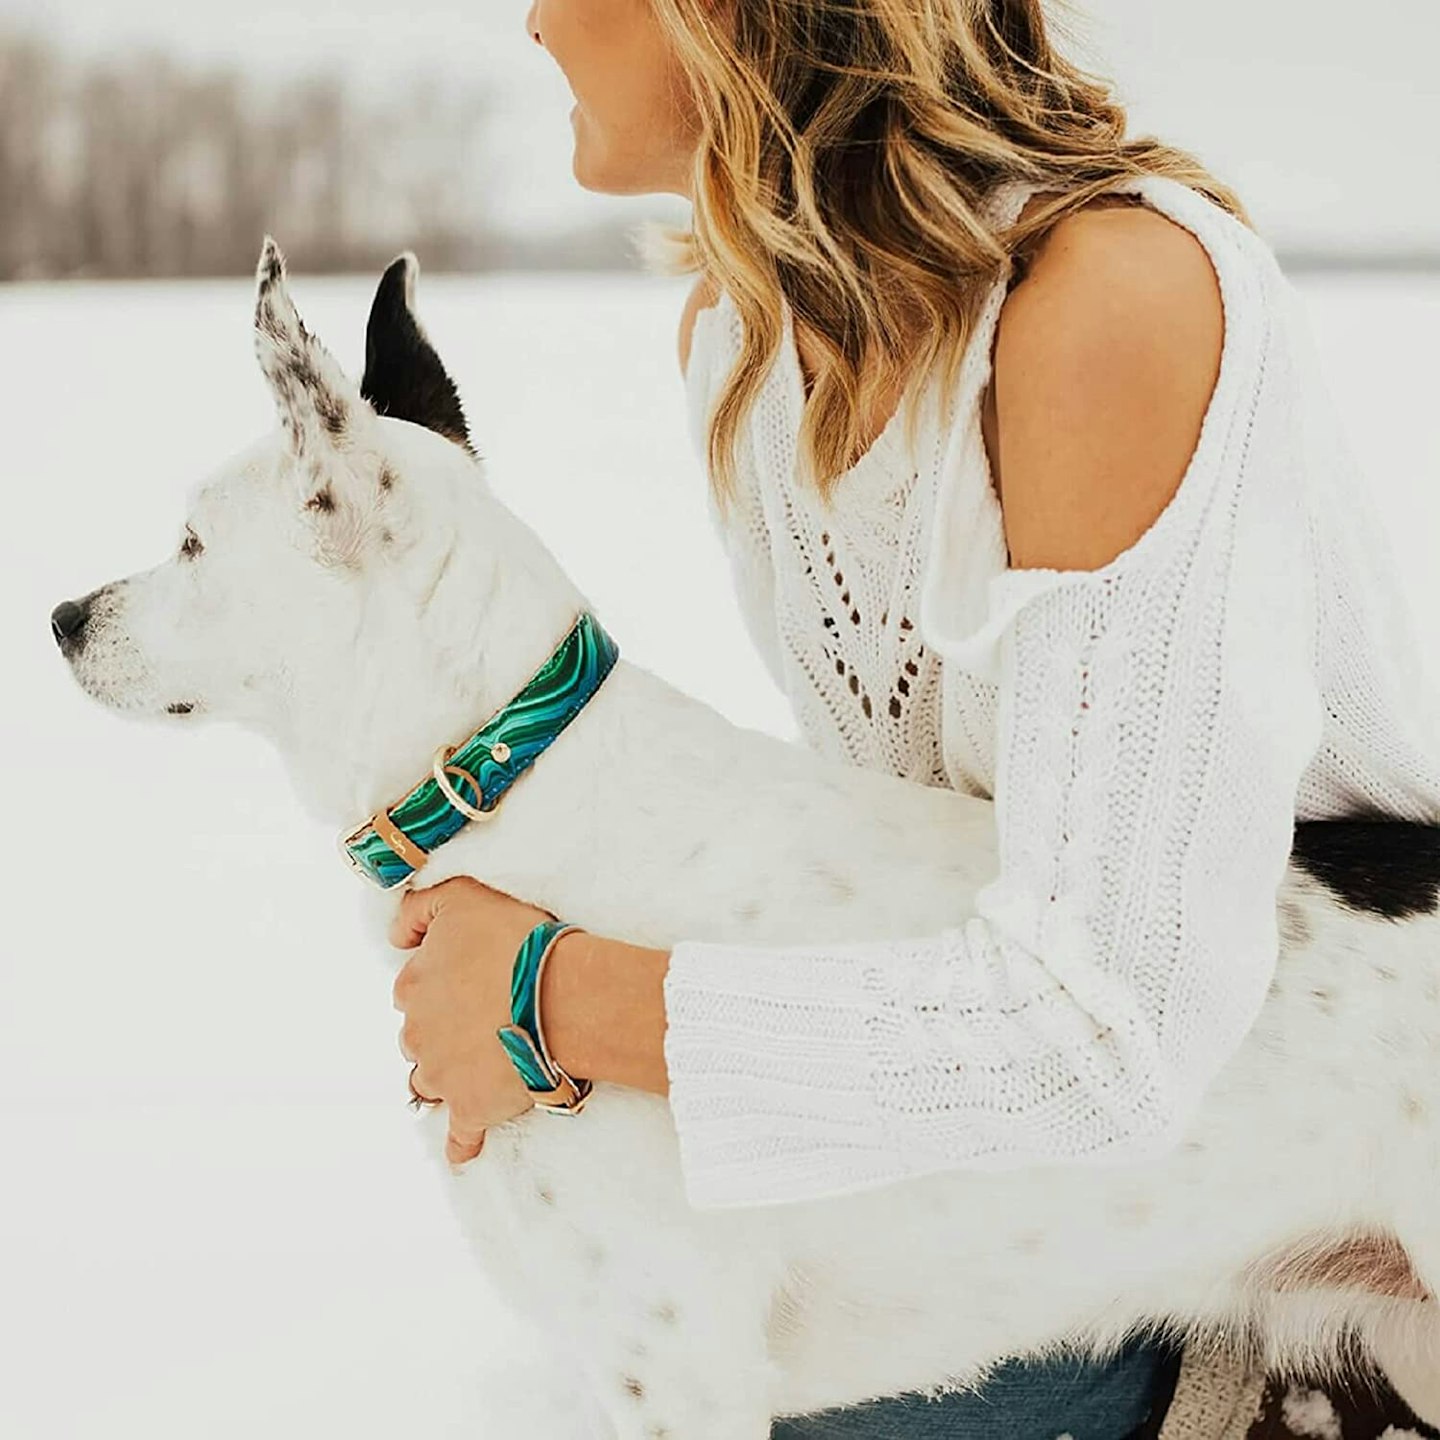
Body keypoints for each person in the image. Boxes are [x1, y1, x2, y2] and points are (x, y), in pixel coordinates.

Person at [388, 1, 1440, 1435]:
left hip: (1358, 1116)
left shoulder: (1107, 297)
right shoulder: (744, 345)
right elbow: (903, 871)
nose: (534, 18)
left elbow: (1102, 1024)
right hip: (1116, 1195)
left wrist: (557, 998)